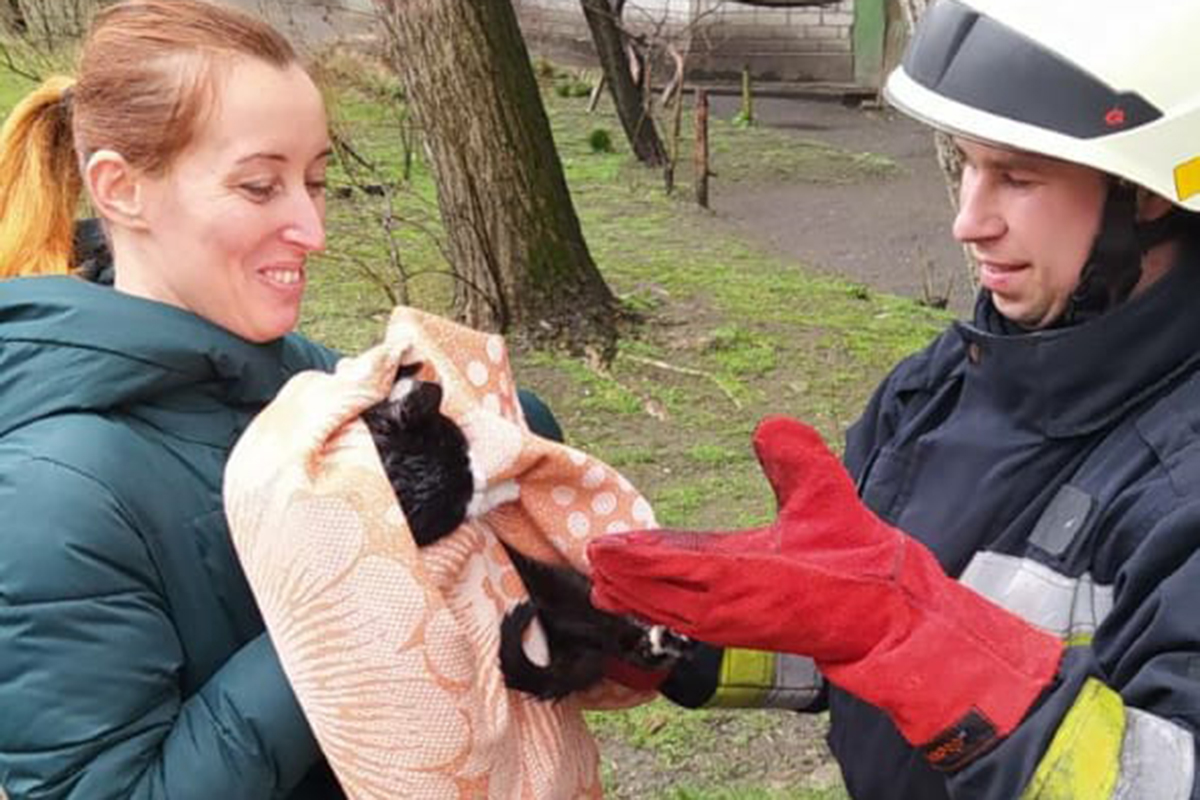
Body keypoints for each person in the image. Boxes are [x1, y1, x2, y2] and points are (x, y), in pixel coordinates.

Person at [585, 1, 1200, 798]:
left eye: (1017, 178)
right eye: (966, 164)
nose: (968, 222)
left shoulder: (1181, 481)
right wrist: (660, 637)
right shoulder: (944, 384)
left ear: (1144, 194)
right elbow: (845, 632)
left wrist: (916, 635)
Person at [0, 2, 561, 797]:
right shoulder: (52, 490)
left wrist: (493, 443)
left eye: (316, 181)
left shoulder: (286, 372)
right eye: (260, 186)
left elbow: (492, 474)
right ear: (121, 191)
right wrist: (352, 572)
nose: (313, 230)